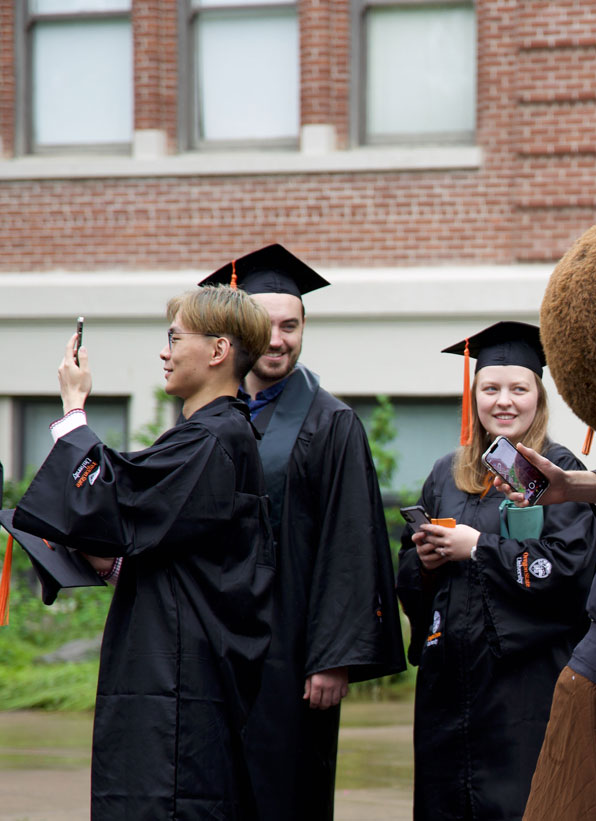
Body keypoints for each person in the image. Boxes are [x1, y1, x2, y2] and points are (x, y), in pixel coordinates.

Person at [13, 286, 275, 819]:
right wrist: (104, 561)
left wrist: (73, 408)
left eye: (175, 338)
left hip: (179, 679)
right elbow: (180, 555)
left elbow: (106, 498)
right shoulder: (212, 434)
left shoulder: (214, 437)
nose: (165, 351)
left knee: (167, 799)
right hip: (170, 658)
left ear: (218, 351)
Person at [196, 245, 407, 820]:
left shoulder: (330, 423)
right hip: (218, 646)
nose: (277, 340)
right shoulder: (212, 412)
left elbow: (352, 544)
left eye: (290, 326)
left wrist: (333, 657)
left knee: (286, 792)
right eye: (264, 326)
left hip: (292, 655)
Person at [395, 321, 596, 820]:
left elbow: (571, 569)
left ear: (538, 397)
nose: (503, 401)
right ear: (475, 396)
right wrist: (422, 561)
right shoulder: (447, 472)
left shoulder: (554, 470)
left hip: (523, 682)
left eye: (518, 389)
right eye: (490, 389)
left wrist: (478, 547)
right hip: (450, 683)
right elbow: (409, 569)